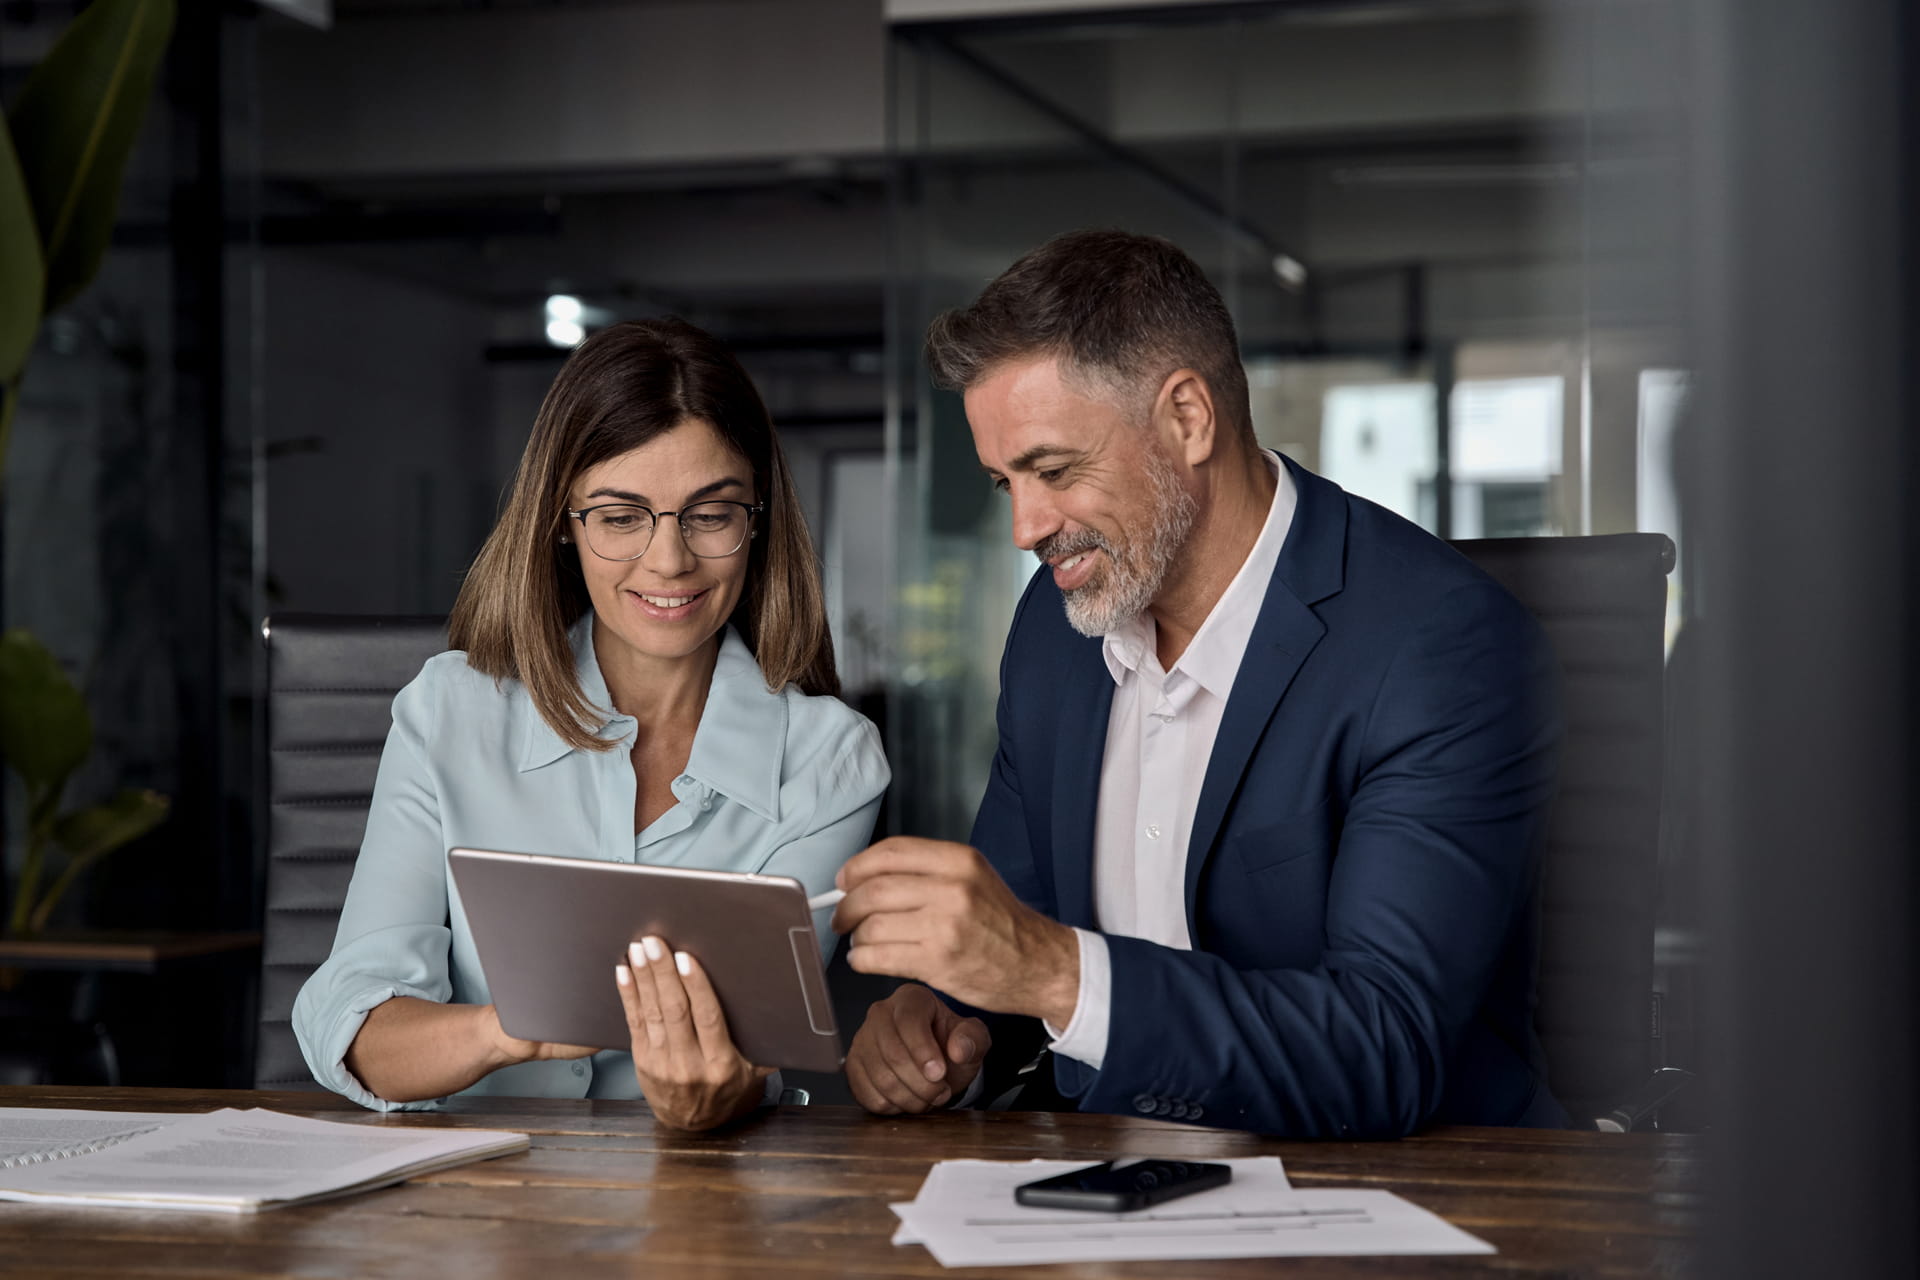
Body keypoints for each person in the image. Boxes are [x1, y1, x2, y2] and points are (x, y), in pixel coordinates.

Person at [832, 230, 1564, 1138]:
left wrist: (1056, 975)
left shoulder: (1439, 648)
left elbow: (1387, 1048)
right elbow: (1020, 925)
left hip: (1397, 1194)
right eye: (1002, 483)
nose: (1025, 527)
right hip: (1101, 1177)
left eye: (1054, 471)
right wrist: (942, 1021)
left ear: (1187, 417)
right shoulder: (1056, 632)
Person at [294, 318, 888, 1131]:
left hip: (701, 1203)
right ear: (562, 524)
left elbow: (758, 1051)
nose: (670, 560)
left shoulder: (831, 761)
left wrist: (717, 1094)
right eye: (621, 517)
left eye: (710, 515)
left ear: (758, 521)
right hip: (471, 1207)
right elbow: (354, 1025)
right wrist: (511, 1028)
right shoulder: (448, 714)